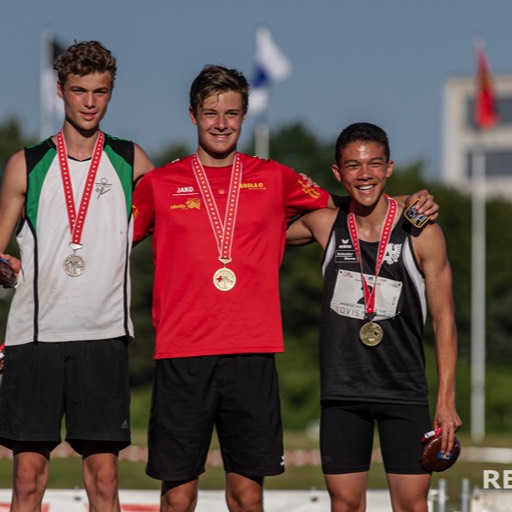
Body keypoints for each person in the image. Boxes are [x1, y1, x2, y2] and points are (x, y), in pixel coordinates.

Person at [132, 65, 438, 512]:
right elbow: (111, 242)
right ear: (192, 115)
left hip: (252, 354)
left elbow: (351, 199)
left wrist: (406, 200)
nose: (221, 123)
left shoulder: (274, 177)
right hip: (182, 353)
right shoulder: (160, 184)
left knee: (247, 495)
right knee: (178, 498)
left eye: (232, 113)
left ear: (244, 117)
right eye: (211, 112)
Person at [0, 40, 153, 512]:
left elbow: (178, 222)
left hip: (103, 336)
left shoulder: (133, 160)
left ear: (111, 93)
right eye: (79, 90)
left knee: (104, 481)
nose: (89, 102)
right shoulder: (26, 164)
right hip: (35, 337)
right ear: (61, 92)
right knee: (27, 479)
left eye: (100, 91)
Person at [287, 122, 461, 512]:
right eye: (353, 166)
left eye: (374, 165)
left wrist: (446, 401)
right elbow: (260, 229)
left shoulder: (422, 231)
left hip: (404, 390)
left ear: (389, 168)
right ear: (338, 172)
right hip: (342, 393)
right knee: (345, 505)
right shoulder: (324, 225)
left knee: (413, 506)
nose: (364, 174)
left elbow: (444, 320)